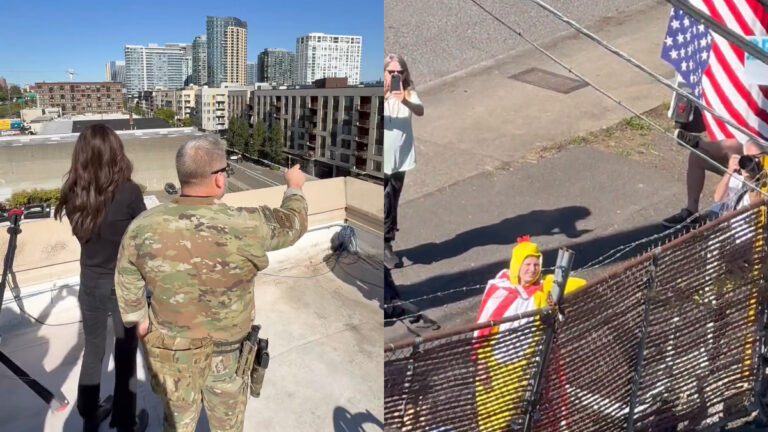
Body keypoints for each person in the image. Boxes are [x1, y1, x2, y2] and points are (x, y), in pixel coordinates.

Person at [114, 135, 308, 431]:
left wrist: (137, 318)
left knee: (178, 425)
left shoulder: (143, 225)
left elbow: (126, 273)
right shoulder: (245, 224)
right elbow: (293, 223)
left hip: (172, 355)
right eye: (226, 171)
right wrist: (294, 186)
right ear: (218, 179)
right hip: (227, 357)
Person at [53, 124, 149, 432]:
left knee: (93, 349)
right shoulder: (129, 192)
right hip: (123, 285)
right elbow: (144, 236)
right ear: (115, 152)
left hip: (89, 283)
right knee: (125, 355)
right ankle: (125, 423)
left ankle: (89, 415)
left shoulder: (72, 192)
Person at [471, 236, 585, 431]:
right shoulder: (500, 290)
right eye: (527, 264)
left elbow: (580, 283)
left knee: (513, 411)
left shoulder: (541, 292)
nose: (532, 269)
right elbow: (483, 329)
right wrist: (481, 363)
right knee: (490, 417)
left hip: (520, 366)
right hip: (494, 364)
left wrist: (554, 282)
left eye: (536, 264)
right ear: (517, 264)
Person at [662, 129, 751, 226]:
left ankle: (699, 143)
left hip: (757, 165)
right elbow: (718, 198)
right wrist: (730, 170)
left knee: (733, 144)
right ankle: (691, 212)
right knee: (697, 155)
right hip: (741, 161)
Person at [384, 53, 424, 269]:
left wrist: (404, 100)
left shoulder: (408, 92)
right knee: (382, 201)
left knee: (391, 202)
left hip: (401, 159)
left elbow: (420, 111)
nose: (396, 75)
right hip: (382, 161)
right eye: (391, 72)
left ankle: (387, 244)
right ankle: (382, 244)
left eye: (400, 72)